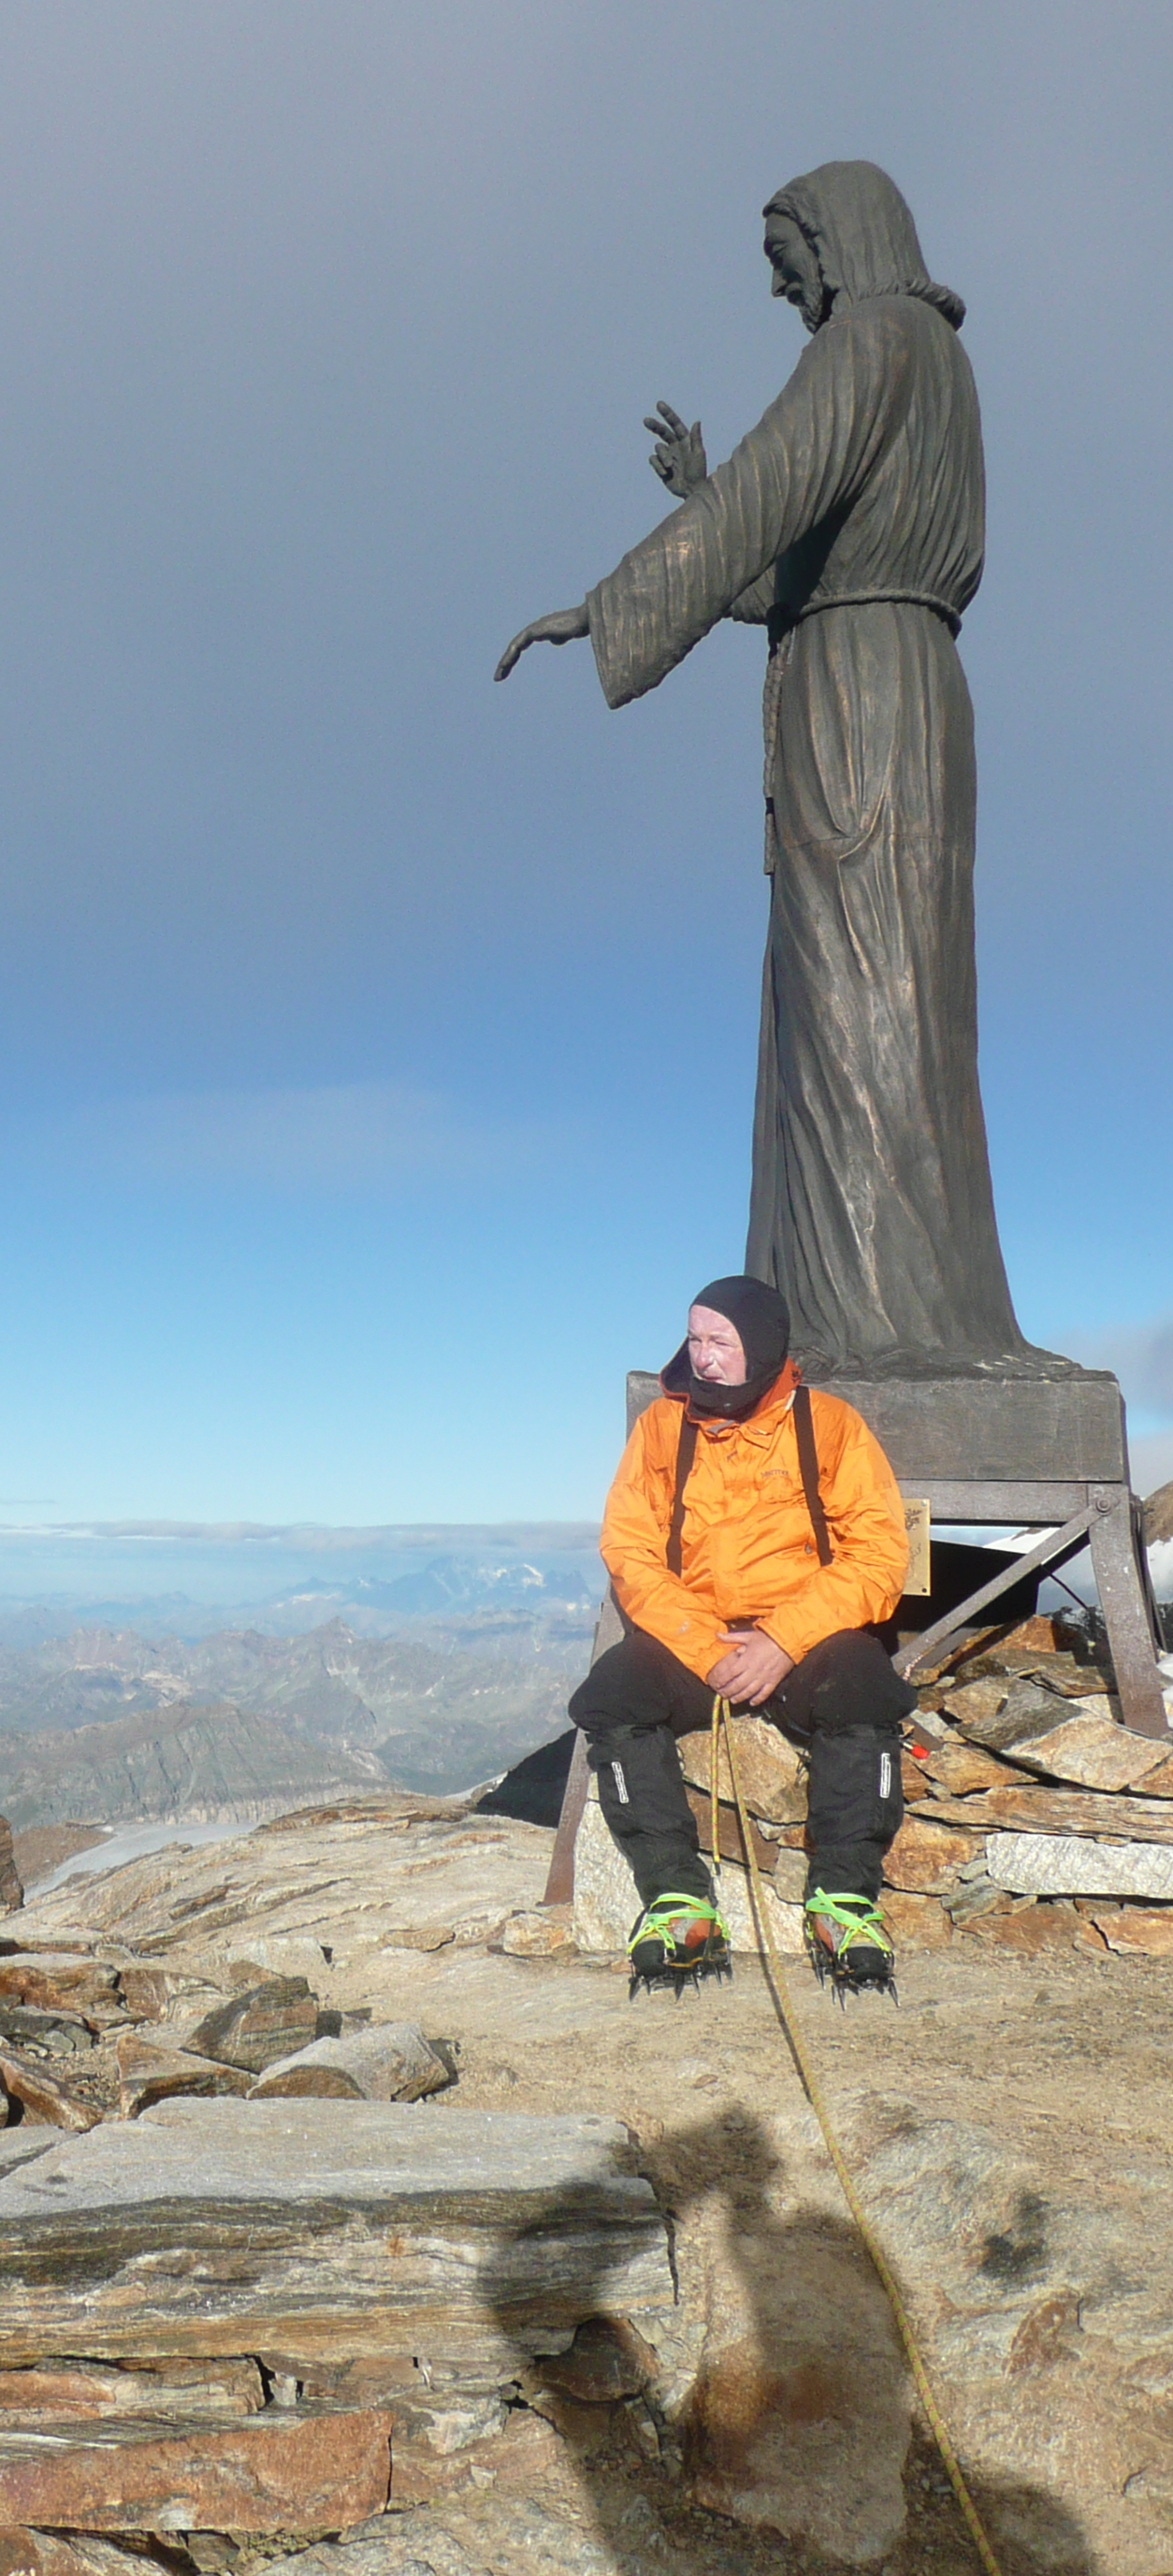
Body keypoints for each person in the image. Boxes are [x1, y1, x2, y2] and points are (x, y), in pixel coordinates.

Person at [496, 164, 1062, 1383]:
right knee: (860, 999)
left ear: (840, 237)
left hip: (859, 702)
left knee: (863, 1000)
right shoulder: (938, 363)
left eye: (784, 248)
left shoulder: (868, 342)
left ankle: (877, 1322)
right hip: (900, 684)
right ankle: (870, 1301)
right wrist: (703, 504)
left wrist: (612, 604)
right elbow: (794, 560)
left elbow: (767, 502)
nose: (775, 279)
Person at [570, 1273, 913, 1986]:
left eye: (721, 1341)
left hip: (805, 1639)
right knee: (614, 1695)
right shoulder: (664, 1428)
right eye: (694, 1339)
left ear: (761, 1347)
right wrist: (705, 1648)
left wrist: (783, 1641)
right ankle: (677, 1896)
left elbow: (879, 1556)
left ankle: (844, 1896)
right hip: (699, 1638)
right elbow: (628, 1550)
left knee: (863, 1688)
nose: (703, 1357)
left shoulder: (831, 1427)